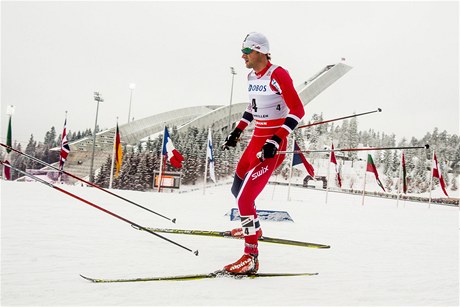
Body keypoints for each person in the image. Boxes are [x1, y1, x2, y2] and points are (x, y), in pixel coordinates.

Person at [221, 32, 305, 274]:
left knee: (245, 199)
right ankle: (254, 227)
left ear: (259, 51)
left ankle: (251, 257)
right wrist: (237, 131)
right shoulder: (250, 76)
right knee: (237, 189)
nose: (243, 56)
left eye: (247, 52)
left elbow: (298, 110)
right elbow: (252, 106)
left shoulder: (278, 74)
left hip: (271, 146)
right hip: (255, 140)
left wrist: (276, 140)